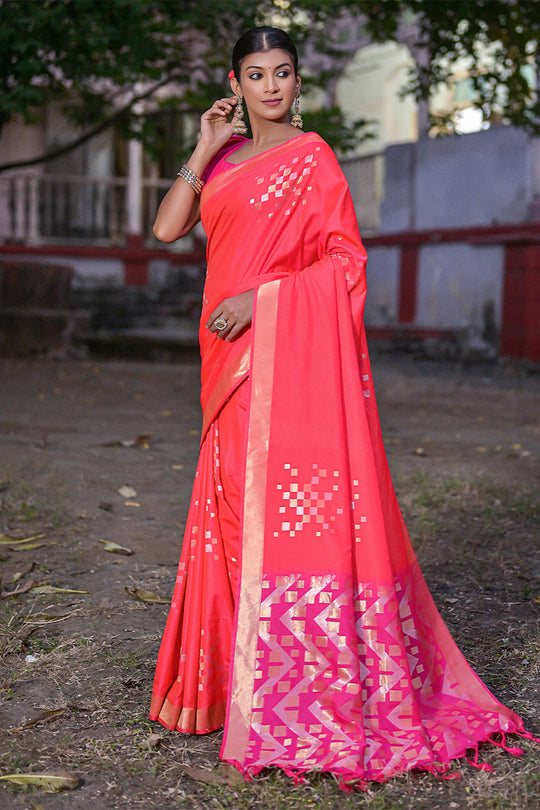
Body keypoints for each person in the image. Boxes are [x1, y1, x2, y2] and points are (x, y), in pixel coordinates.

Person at [149, 26, 536, 788]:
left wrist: (262, 302)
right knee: (230, 513)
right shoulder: (223, 161)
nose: (270, 87)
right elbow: (167, 228)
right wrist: (202, 147)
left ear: (299, 81)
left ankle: (296, 689)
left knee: (274, 515)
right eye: (255, 74)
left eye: (283, 73)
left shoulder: (313, 158)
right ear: (236, 80)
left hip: (277, 354)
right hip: (222, 361)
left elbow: (344, 264)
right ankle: (237, 685)